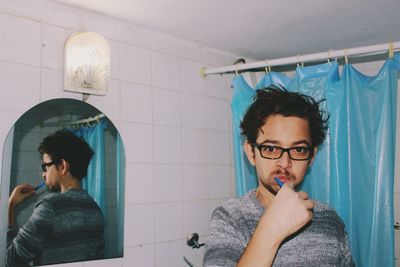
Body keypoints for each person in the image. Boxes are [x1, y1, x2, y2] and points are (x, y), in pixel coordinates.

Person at [204, 87, 353, 266]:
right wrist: (272, 228)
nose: (284, 163)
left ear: (311, 157)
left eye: (298, 150)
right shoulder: (231, 217)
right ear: (251, 152)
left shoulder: (330, 219)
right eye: (271, 148)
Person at [6, 130, 105, 267]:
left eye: (45, 166)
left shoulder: (50, 207)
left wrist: (10, 206)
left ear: (63, 166)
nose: (43, 174)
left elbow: (12, 261)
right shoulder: (95, 209)